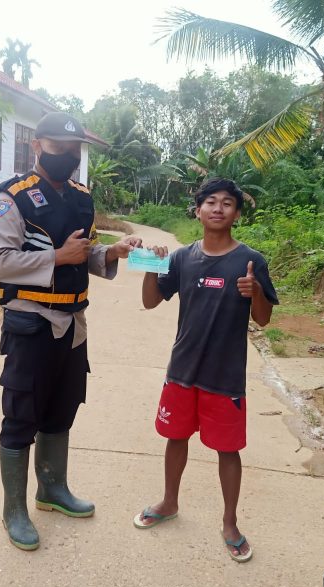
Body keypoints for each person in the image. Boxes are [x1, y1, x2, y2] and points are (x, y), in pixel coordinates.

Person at [0, 112, 142, 551]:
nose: (68, 158)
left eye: (74, 151)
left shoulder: (81, 197)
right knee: (21, 416)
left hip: (74, 323)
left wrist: (111, 251)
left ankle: (51, 488)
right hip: (31, 322)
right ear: (37, 147)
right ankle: (13, 509)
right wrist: (57, 257)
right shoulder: (10, 199)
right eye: (58, 149)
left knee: (62, 408)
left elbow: (86, 253)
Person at [133, 177, 278, 563]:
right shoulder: (182, 258)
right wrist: (153, 266)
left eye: (227, 203)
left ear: (237, 213)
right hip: (182, 370)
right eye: (210, 202)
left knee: (228, 450)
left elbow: (263, 320)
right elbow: (150, 302)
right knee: (174, 439)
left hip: (225, 375)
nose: (217, 208)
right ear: (197, 211)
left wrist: (256, 292)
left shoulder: (251, 260)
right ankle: (168, 502)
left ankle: (230, 522)